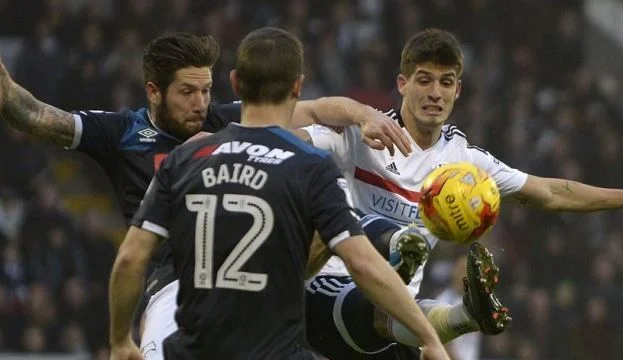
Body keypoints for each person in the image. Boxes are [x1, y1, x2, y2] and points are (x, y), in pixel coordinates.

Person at [0, 32, 413, 359]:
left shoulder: (223, 119)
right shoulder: (122, 133)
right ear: (153, 91)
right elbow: (36, 116)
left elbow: (320, 108)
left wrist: (366, 115)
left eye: (206, 90)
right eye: (187, 92)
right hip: (174, 286)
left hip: (251, 280)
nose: (200, 104)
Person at [298, 28, 623, 359]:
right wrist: (350, 114)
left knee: (411, 323)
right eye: (424, 80)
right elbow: (285, 132)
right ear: (402, 84)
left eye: (446, 82)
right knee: (367, 261)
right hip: (330, 292)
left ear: (458, 91)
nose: (434, 93)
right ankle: (397, 251)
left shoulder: (465, 163)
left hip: (397, 322)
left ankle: (462, 314)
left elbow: (552, 193)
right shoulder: (361, 135)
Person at [107, 27, 449, 360]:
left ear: (235, 82)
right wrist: (428, 337)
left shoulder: (184, 157)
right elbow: (362, 263)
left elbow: (130, 259)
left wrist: (120, 340)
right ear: (298, 86)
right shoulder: (311, 165)